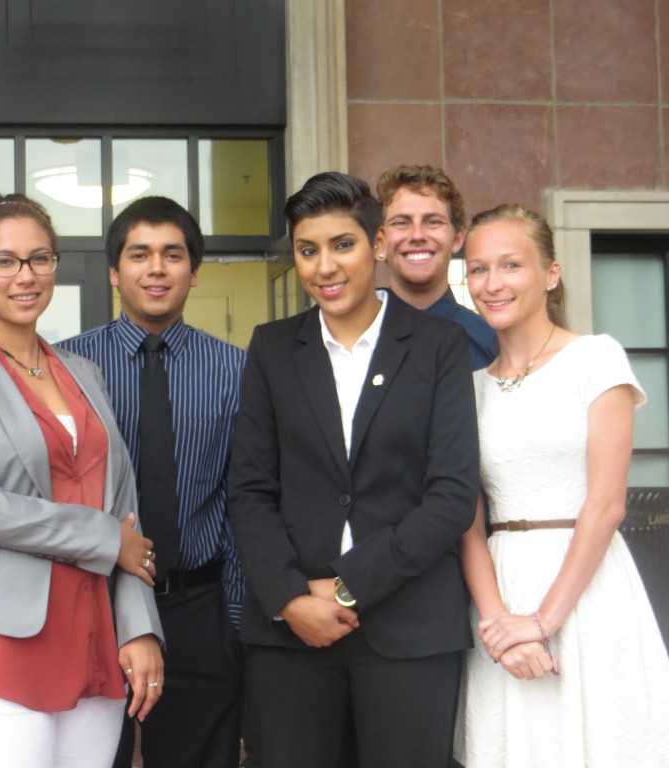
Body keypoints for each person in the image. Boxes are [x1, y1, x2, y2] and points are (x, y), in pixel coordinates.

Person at [227, 171, 479, 767]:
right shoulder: (271, 348)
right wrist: (290, 598)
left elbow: (450, 494)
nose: (324, 267)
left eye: (343, 245)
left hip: (411, 623)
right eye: (307, 250)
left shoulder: (439, 344)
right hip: (292, 631)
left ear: (378, 247)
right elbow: (249, 490)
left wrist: (346, 586)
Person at [0, 193, 164, 767]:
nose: (25, 276)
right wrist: (104, 540)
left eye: (39, 258)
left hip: (93, 634)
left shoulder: (85, 372)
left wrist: (140, 627)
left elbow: (125, 510)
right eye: (4, 261)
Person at [454, 204, 669, 767]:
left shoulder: (596, 358)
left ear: (550, 273)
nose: (492, 284)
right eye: (478, 269)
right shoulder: (469, 387)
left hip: (586, 586)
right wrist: (499, 624)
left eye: (510, 265)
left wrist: (542, 623)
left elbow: (605, 504)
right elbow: (467, 519)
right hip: (499, 590)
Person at [58, 196, 248, 768]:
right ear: (115, 271)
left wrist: (233, 622)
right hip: (93, 602)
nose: (157, 268)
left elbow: (246, 499)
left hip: (199, 608)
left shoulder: (236, 369)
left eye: (173, 254)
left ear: (194, 270)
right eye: (139, 255)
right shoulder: (66, 368)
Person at [375, 164, 497, 369]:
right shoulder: (354, 340)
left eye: (432, 222)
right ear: (380, 241)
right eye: (401, 222)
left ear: (457, 239)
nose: (417, 235)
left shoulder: (491, 343)